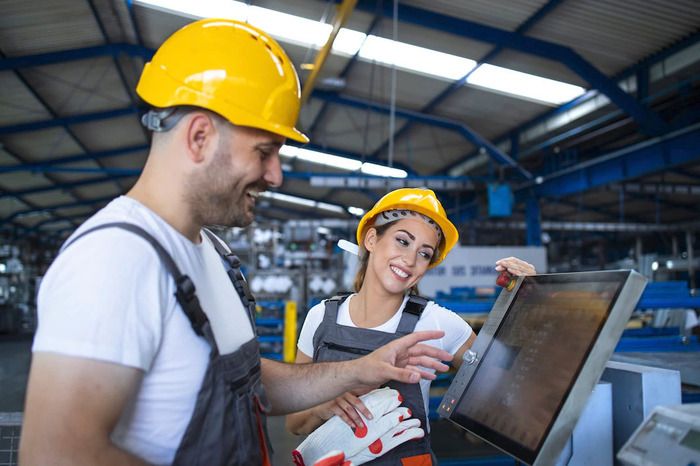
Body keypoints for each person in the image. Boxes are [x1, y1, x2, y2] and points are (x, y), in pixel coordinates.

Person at [18, 19, 454, 466]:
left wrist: (361, 369)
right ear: (200, 137)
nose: (276, 175)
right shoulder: (115, 260)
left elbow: (246, 381)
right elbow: (56, 454)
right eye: (264, 151)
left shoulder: (210, 252)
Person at [286, 188, 536, 464]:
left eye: (424, 253)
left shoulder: (437, 322)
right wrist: (322, 406)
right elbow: (294, 423)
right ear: (372, 238)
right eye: (402, 241)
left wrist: (527, 301)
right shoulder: (321, 317)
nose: (410, 259)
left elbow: (508, 381)